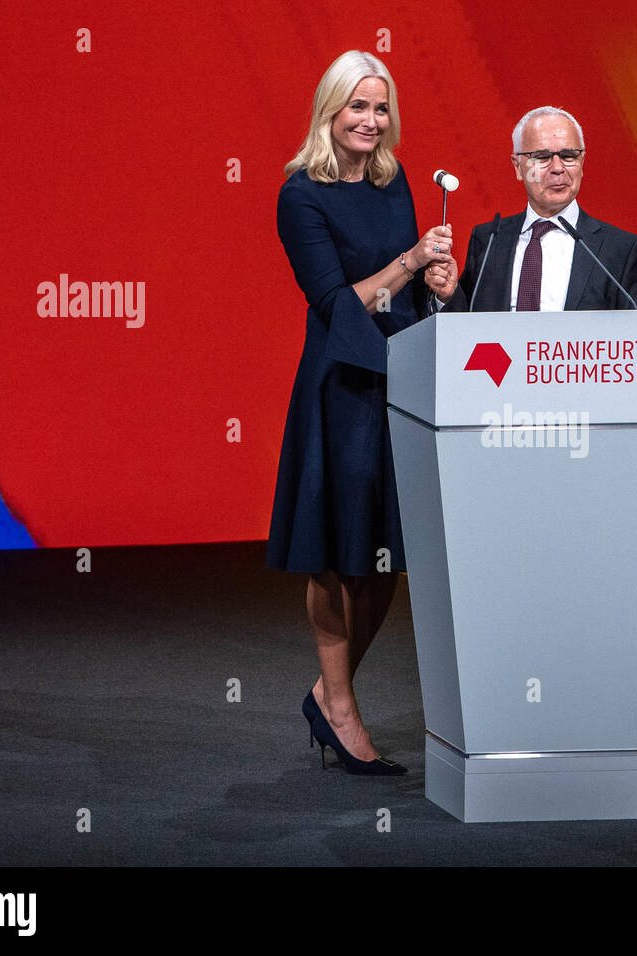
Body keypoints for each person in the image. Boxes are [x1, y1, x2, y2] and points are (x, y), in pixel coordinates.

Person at [266, 50, 457, 775]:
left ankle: (328, 692)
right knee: (334, 553)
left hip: (399, 383)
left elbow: (400, 298)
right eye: (358, 107)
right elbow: (337, 304)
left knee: (386, 556)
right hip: (341, 388)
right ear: (330, 111)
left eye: (381, 109)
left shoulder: (395, 181)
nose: (371, 122)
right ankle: (341, 708)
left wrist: (436, 278)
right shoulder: (301, 196)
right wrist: (410, 262)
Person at [439, 106, 637, 312]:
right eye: (542, 157)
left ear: (582, 161)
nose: (558, 168)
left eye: (569, 156)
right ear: (518, 166)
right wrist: (449, 296)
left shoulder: (621, 249)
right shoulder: (489, 239)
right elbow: (466, 329)